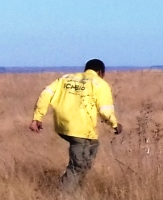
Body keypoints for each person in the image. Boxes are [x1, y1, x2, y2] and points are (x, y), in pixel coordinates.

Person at [29, 59, 122, 190]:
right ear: (101, 72)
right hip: (80, 130)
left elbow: (45, 94)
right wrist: (114, 124)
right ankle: (64, 198)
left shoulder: (65, 78)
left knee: (89, 152)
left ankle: (77, 191)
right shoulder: (100, 84)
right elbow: (105, 110)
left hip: (63, 127)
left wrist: (37, 117)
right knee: (77, 166)